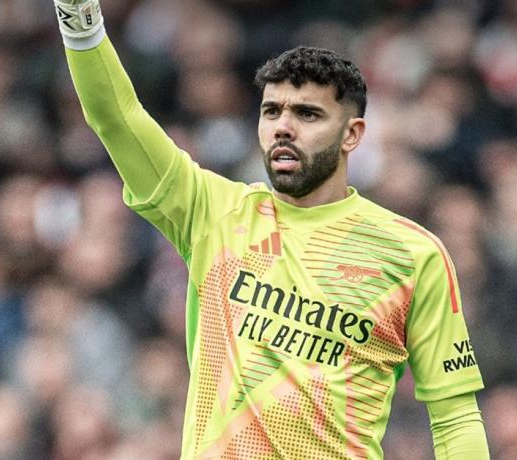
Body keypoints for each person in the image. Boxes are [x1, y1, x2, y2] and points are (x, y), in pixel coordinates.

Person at [52, 1, 490, 458]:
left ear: (352, 134)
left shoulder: (413, 255)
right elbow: (115, 117)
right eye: (271, 111)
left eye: (307, 114)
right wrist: (77, 12)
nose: (283, 128)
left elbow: (455, 416)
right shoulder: (214, 213)